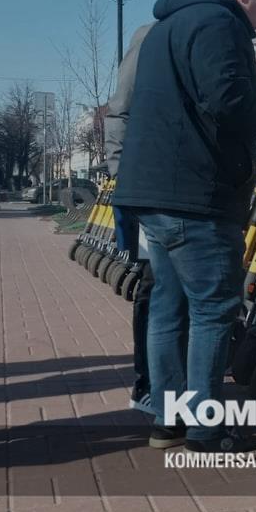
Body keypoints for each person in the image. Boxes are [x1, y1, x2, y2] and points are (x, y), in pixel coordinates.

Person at [112, 0, 256, 454]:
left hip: (153, 192)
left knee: (169, 308)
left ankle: (167, 420)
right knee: (213, 310)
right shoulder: (218, 22)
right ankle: (206, 430)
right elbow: (229, 105)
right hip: (196, 194)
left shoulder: (167, 26)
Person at [105, 22, 155, 416]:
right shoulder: (153, 36)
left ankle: (163, 383)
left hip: (191, 189)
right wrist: (122, 172)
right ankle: (149, 384)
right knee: (155, 287)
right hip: (151, 186)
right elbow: (120, 108)